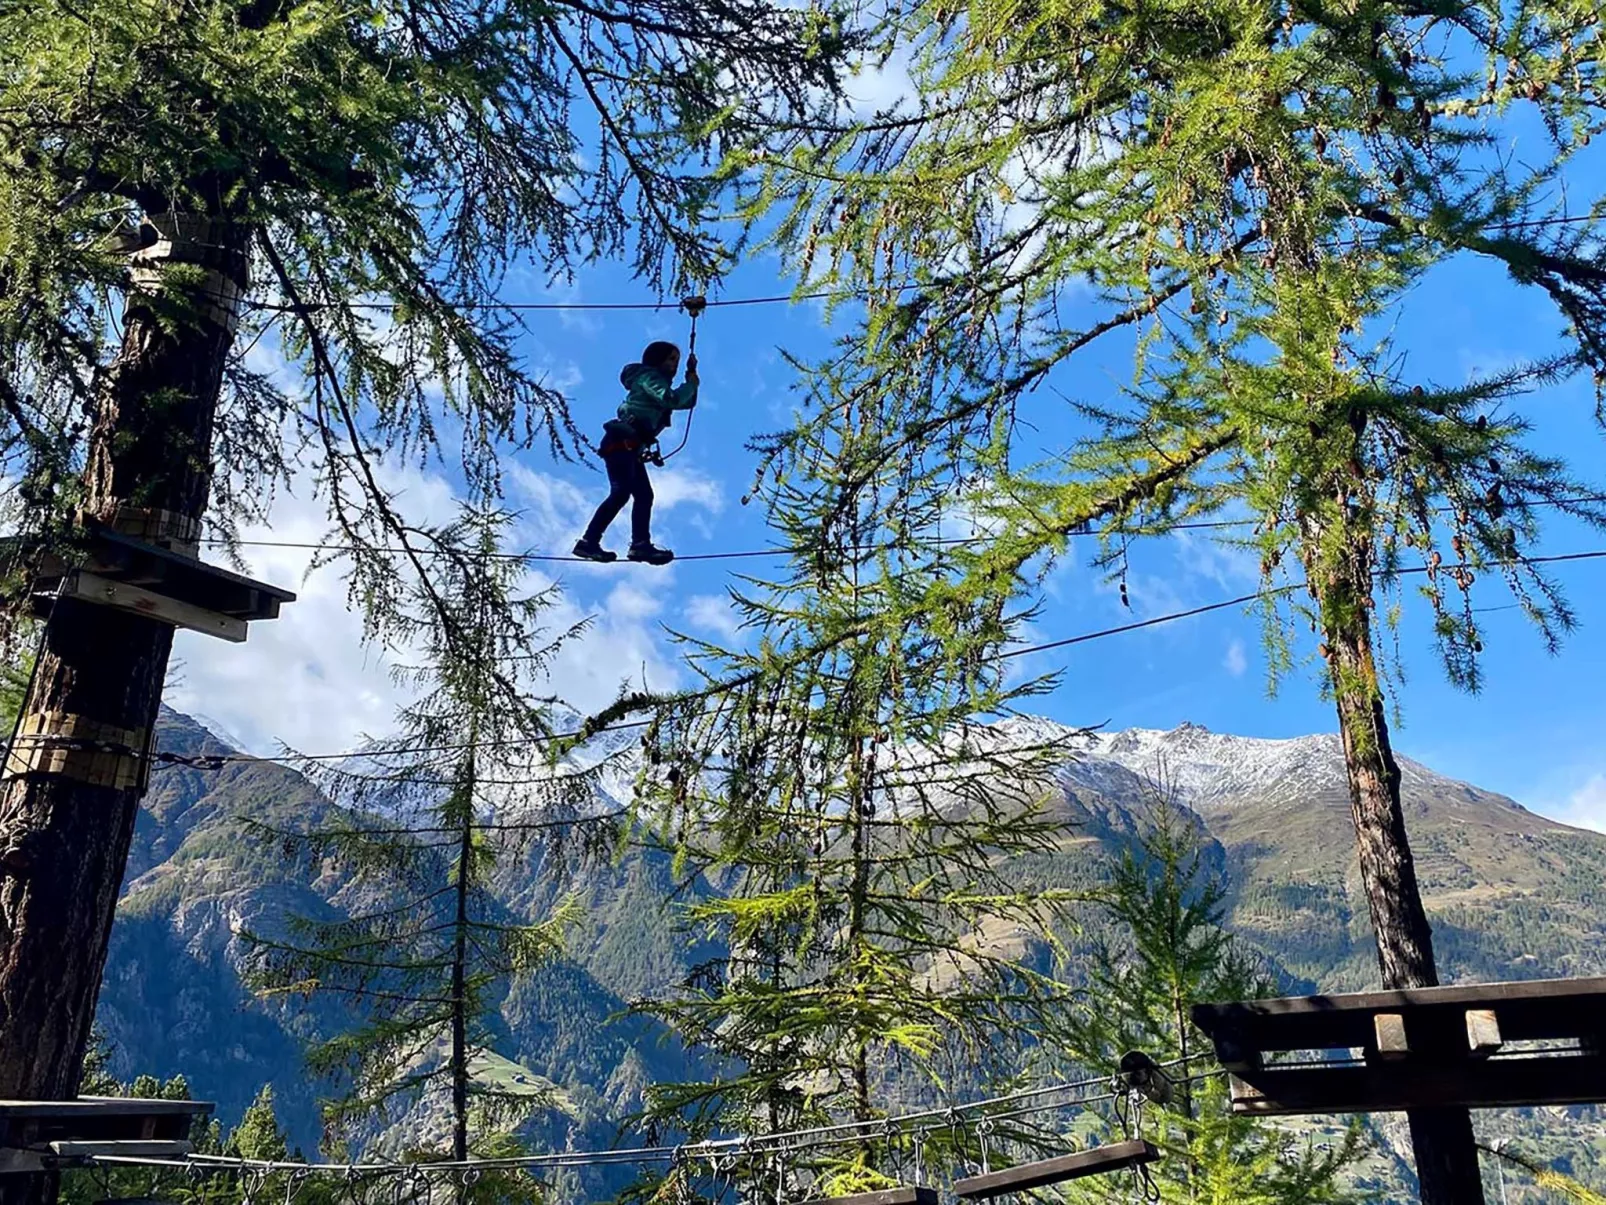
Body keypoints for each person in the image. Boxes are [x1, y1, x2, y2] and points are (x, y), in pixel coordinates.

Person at [573, 340, 698, 565]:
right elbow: (671, 399)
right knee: (621, 493)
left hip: (630, 445)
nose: (674, 364)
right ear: (657, 360)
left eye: (677, 361)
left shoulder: (655, 381)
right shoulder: (649, 378)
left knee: (643, 495)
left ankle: (639, 545)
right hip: (622, 442)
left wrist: (691, 378)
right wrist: (689, 384)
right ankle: (589, 542)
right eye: (671, 359)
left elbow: (686, 402)